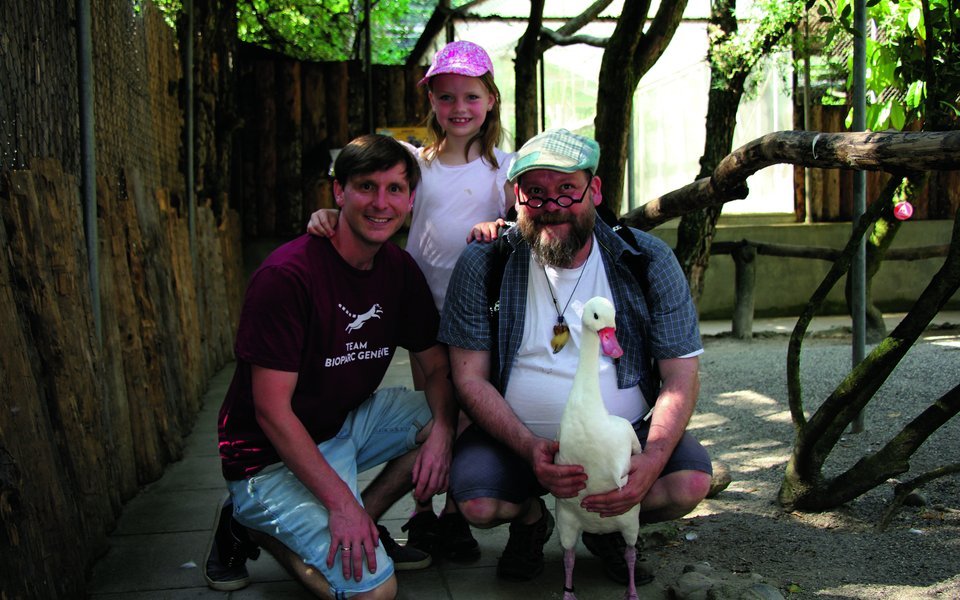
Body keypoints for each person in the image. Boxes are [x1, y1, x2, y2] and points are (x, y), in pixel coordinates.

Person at [438, 128, 713, 585]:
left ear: (595, 191)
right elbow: (469, 379)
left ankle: (604, 526)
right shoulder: (484, 264)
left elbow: (680, 377)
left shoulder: (646, 260)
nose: (553, 206)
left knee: (687, 483)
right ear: (516, 198)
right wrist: (528, 447)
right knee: (479, 503)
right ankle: (530, 519)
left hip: (621, 443)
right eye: (536, 193)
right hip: (519, 441)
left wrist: (654, 456)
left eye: (568, 189)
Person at [203, 134, 458, 599]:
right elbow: (271, 413)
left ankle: (364, 520)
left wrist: (442, 432)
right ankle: (251, 525)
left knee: (457, 415)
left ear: (410, 199)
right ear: (339, 192)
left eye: (395, 189)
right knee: (374, 593)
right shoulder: (288, 277)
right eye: (366, 187)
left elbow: (437, 368)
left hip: (339, 429)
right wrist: (341, 504)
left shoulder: (398, 269)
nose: (381, 203)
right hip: (267, 460)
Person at [307, 40, 514, 562]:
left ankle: (451, 513)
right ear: (432, 103)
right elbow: (368, 198)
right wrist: (330, 217)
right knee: (433, 413)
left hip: (479, 317)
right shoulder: (414, 164)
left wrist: (504, 224)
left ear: (491, 99)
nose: (458, 108)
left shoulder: (505, 170)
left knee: (469, 410)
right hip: (422, 313)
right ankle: (423, 513)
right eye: (446, 97)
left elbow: (526, 228)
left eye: (470, 95)